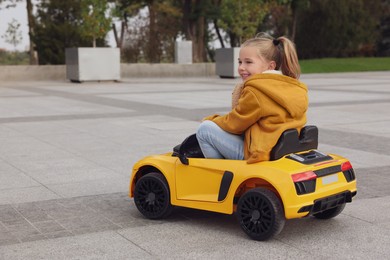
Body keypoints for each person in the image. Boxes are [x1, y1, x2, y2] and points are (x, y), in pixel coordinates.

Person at [196, 32, 308, 164]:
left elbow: (235, 124)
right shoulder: (294, 87)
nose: (241, 67)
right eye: (240, 62)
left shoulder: (257, 90)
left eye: (248, 62)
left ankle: (218, 173)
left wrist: (212, 119)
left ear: (270, 66)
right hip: (280, 150)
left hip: (259, 154)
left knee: (205, 129)